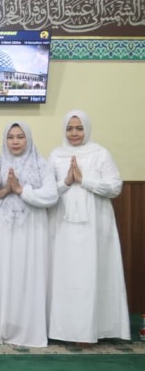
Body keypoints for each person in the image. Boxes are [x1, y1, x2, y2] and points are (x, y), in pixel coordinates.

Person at [47, 110, 129, 344]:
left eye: (79, 128)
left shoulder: (100, 154)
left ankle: (92, 330)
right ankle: (63, 330)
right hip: (62, 226)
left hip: (95, 228)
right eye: (69, 128)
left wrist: (84, 181)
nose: (74, 133)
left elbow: (115, 187)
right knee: (65, 276)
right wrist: (67, 182)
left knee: (92, 274)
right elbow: (48, 191)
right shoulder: (56, 155)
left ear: (87, 129)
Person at [0, 121, 58, 348]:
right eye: (10, 137)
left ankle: (29, 329)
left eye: (20, 137)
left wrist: (21, 190)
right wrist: (6, 190)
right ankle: (3, 326)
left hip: (32, 228)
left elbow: (51, 196)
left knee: (29, 274)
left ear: (28, 138)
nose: (15, 142)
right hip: (3, 227)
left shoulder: (41, 165)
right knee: (4, 274)